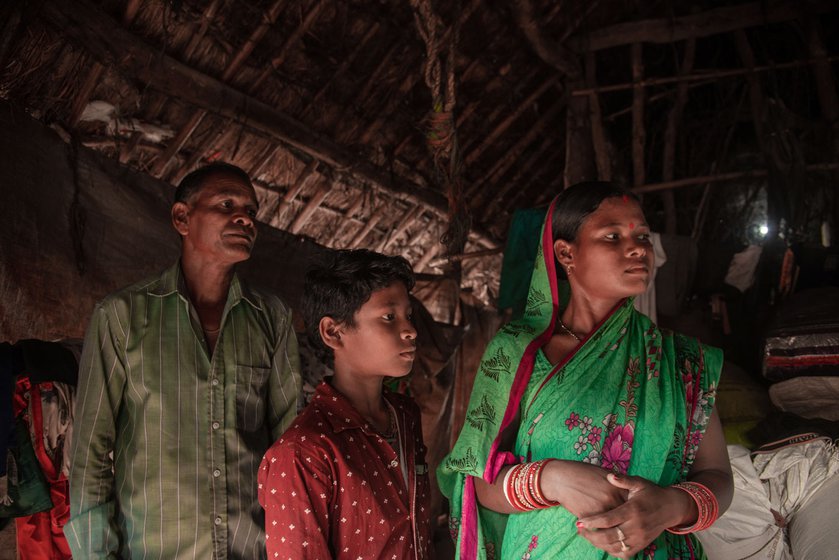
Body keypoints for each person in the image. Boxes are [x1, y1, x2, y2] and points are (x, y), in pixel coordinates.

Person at [438, 181, 733, 559]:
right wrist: (551, 479)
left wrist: (670, 506)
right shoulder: (518, 350)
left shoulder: (681, 359)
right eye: (612, 236)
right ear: (566, 254)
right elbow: (477, 481)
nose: (638, 248)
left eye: (642, 235)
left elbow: (718, 476)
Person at [64, 162, 302, 559]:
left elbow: (289, 450)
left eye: (251, 211)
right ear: (182, 217)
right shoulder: (122, 315)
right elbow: (89, 454)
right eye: (227, 204)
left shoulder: (272, 317)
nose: (244, 218)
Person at [258, 249, 432, 559]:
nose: (410, 330)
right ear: (334, 333)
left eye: (408, 315)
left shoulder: (405, 417)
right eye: (389, 317)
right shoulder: (302, 453)